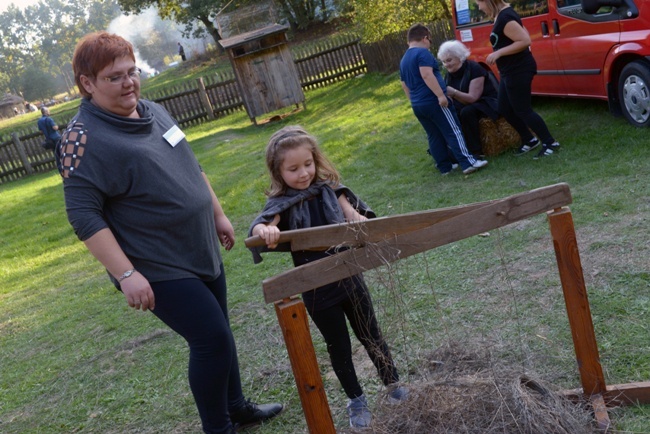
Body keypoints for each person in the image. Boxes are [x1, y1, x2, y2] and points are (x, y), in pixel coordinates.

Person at [56, 31, 282, 434]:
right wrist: (126, 274)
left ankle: (236, 406)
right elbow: (84, 217)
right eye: (114, 77)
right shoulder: (80, 139)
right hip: (155, 264)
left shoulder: (152, 110)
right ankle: (219, 427)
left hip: (198, 246)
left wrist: (217, 214)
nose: (129, 83)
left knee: (222, 333)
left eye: (132, 72)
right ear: (87, 84)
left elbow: (190, 165)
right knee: (211, 339)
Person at [248, 125, 409, 429]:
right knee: (339, 347)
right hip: (317, 289)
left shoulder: (331, 191)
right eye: (293, 169)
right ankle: (357, 400)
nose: (303, 173)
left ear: (315, 159)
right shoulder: (282, 205)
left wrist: (360, 221)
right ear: (278, 171)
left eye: (308, 164)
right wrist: (265, 230)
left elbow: (352, 214)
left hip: (350, 278)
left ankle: (394, 386)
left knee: (371, 334)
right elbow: (261, 225)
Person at [399, 23, 488, 175]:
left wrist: (412, 100)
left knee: (434, 135)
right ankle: (468, 163)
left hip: (418, 104)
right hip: (433, 101)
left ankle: (444, 167)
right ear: (425, 38)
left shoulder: (403, 60)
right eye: (430, 41)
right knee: (453, 131)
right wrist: (441, 95)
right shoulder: (422, 53)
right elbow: (427, 74)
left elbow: (404, 84)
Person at [476, 0, 561, 159]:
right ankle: (529, 139)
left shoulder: (505, 18)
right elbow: (524, 33)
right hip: (509, 71)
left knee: (523, 110)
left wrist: (498, 53)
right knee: (504, 107)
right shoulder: (502, 15)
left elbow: (525, 40)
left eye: (479, 4)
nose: (479, 8)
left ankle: (550, 142)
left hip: (519, 70)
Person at [438, 40, 499, 159]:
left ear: (459, 57)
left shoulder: (474, 69)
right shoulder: (449, 75)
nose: (447, 65)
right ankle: (450, 150)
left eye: (449, 60)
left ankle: (476, 151)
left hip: (486, 102)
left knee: (467, 112)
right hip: (463, 103)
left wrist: (454, 93)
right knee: (446, 113)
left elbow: (473, 98)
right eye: (444, 62)